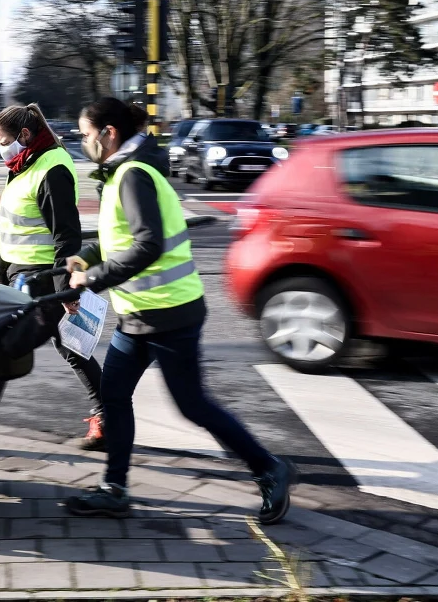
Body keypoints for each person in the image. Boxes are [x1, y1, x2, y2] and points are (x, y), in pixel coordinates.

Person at [63, 97, 297, 523]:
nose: (83, 142)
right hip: (139, 315)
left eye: (85, 134)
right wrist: (87, 256)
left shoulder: (133, 175)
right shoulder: (123, 172)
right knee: (114, 396)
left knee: (193, 406)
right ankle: (115, 487)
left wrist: (93, 279)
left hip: (169, 314)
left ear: (108, 133)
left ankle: (269, 468)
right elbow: (123, 238)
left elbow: (149, 244)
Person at [0, 104, 107, 450]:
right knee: (71, 347)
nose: (0, 149)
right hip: (19, 276)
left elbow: (66, 235)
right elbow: (13, 226)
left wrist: (66, 291)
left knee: (6, 346)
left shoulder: (51, 169)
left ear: (24, 135)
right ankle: (107, 417)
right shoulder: (24, 165)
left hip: (42, 279)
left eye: (3, 141)